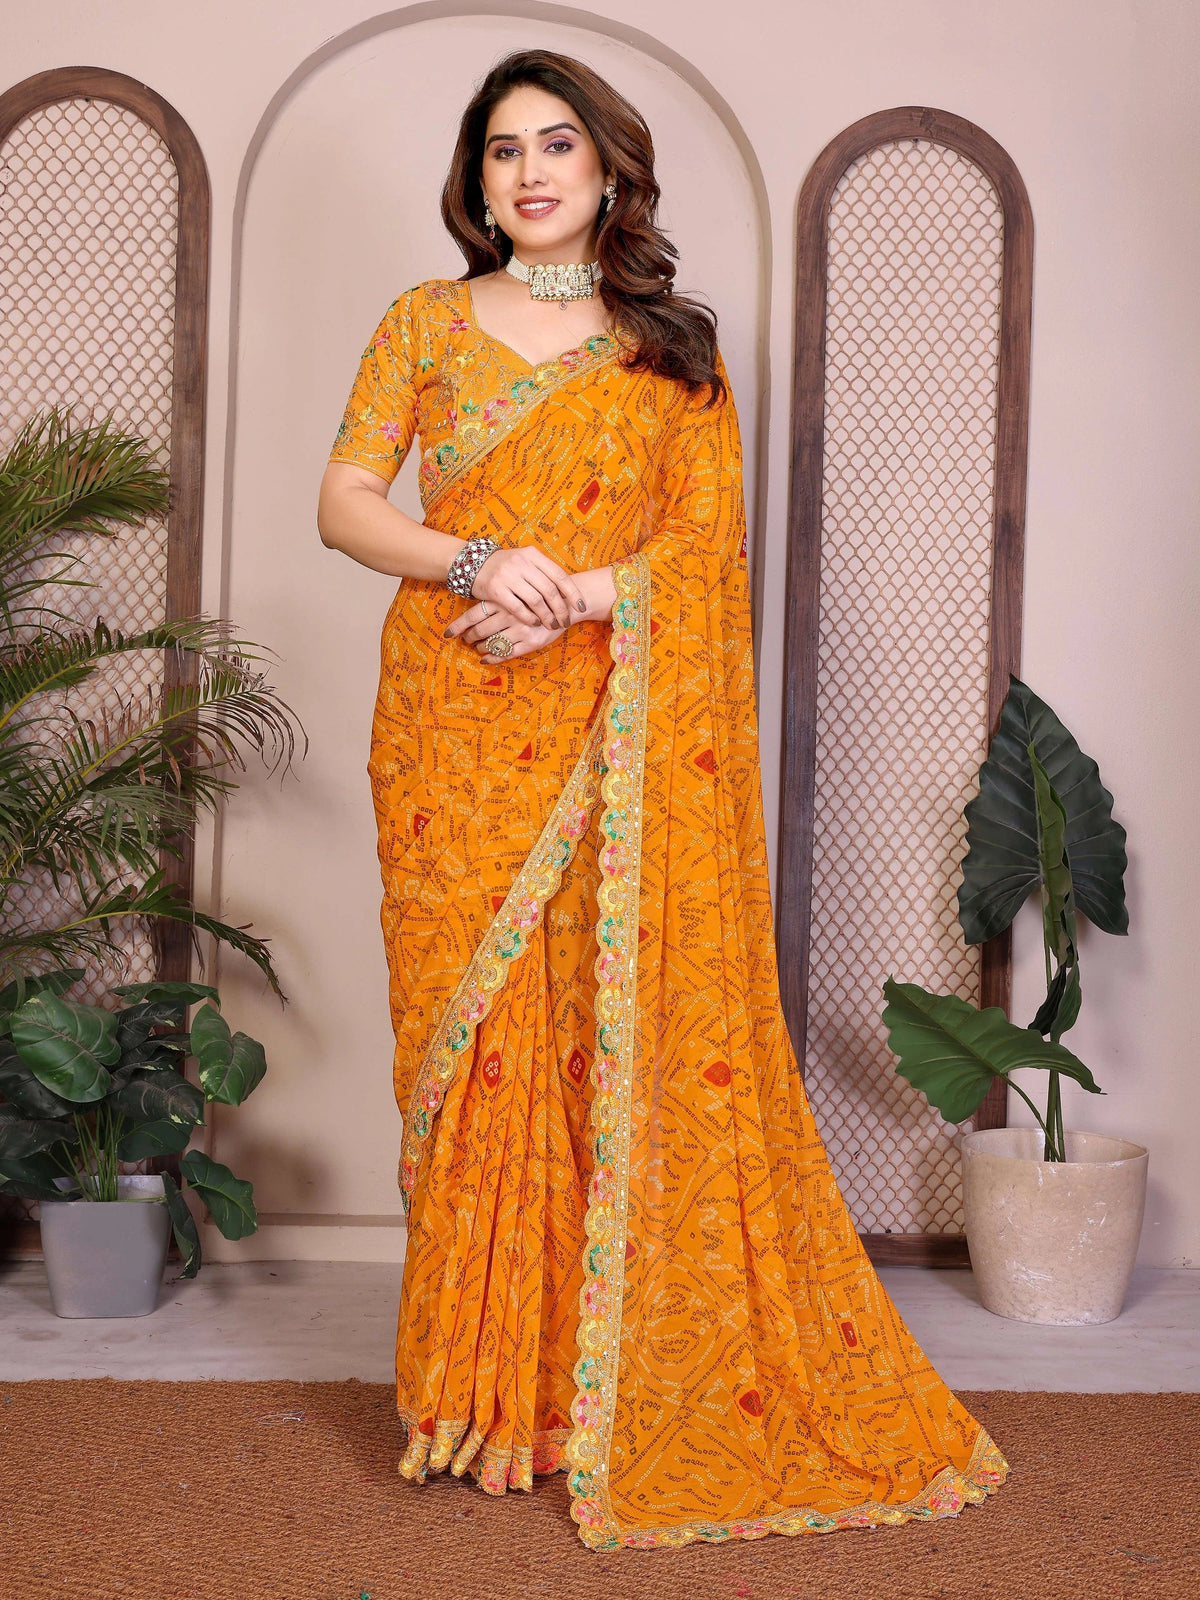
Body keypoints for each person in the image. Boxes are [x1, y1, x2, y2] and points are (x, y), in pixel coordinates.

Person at [316, 47, 1010, 1554]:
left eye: (558, 145)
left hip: (604, 726)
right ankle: (477, 1398)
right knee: (469, 1045)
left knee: (588, 1040)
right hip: (448, 723)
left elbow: (702, 565)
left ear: (611, 171)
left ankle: (581, 1395)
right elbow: (347, 500)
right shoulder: (423, 322)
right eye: (503, 151)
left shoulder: (668, 354)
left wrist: (566, 599)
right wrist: (471, 562)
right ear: (476, 179)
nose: (531, 173)